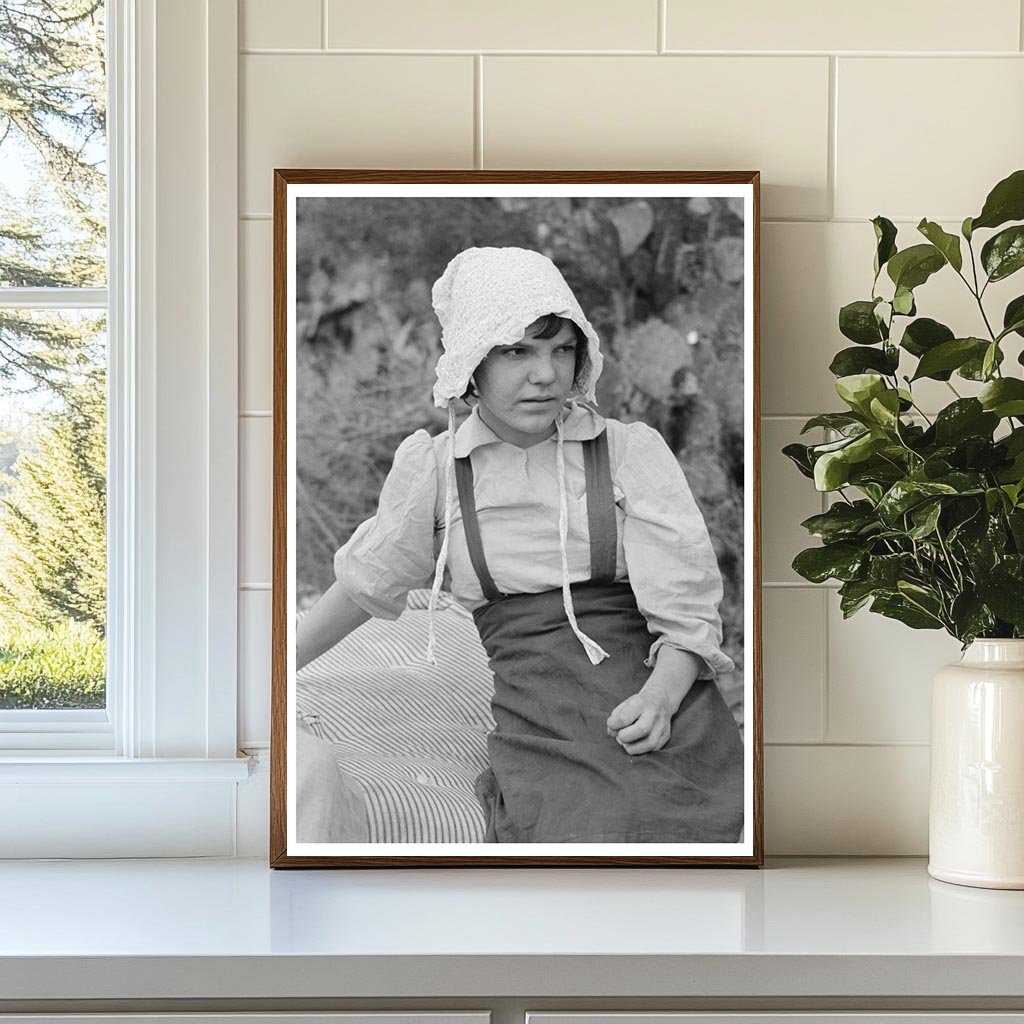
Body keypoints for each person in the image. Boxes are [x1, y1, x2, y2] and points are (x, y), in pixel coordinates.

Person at [297, 245, 743, 844]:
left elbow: (687, 618)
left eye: (563, 349)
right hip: (541, 718)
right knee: (589, 831)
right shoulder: (435, 470)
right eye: (518, 352)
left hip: (661, 696)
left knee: (689, 825)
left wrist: (660, 701)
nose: (546, 374)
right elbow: (365, 584)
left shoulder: (628, 453)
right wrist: (264, 674)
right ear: (472, 366)